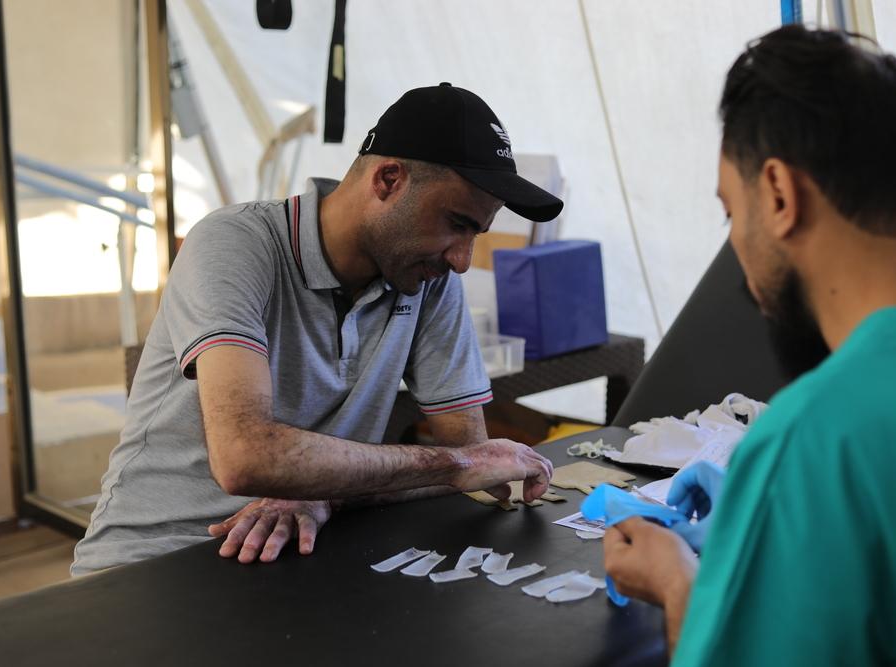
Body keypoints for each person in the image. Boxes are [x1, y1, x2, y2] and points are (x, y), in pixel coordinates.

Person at [603, 25, 896, 665]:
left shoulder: (820, 438)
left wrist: (679, 586)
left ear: (778, 193)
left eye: (732, 213)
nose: (740, 256)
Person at [72, 83, 562, 576]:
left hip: (304, 553)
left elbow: (467, 454)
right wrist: (456, 467)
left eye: (476, 232)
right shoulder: (235, 244)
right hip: (157, 560)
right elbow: (246, 457)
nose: (461, 261)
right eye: (457, 222)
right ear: (388, 180)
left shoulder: (426, 278)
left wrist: (327, 494)